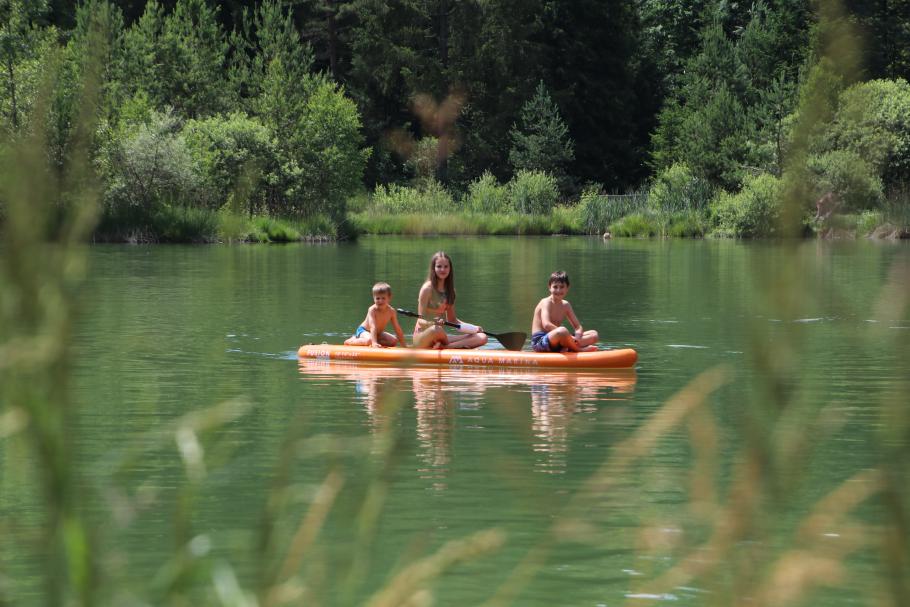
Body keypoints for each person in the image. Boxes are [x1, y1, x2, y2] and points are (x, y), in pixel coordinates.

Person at [413, 251, 488, 349]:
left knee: (482, 337)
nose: (442, 269)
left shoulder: (450, 291)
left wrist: (474, 328)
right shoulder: (427, 289)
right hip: (424, 335)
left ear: (450, 269)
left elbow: (453, 320)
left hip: (440, 336)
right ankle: (449, 346)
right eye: (439, 266)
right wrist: (432, 323)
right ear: (433, 268)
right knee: (437, 330)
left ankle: (446, 347)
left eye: (446, 266)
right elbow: (420, 320)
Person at [530, 270, 599, 353]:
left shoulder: (566, 305)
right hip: (540, 342)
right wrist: (569, 336)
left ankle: (567, 347)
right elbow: (546, 324)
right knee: (562, 330)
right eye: (555, 287)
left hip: (559, 340)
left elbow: (578, 327)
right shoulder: (546, 302)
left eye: (562, 287)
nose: (558, 290)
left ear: (567, 288)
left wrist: (577, 337)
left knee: (594, 334)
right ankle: (578, 349)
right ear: (549, 287)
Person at [344, 282, 408, 347]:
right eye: (377, 298)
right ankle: (350, 341)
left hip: (378, 333)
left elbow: (397, 329)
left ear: (389, 298)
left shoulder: (391, 311)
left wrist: (404, 345)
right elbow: (373, 326)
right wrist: (374, 343)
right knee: (370, 340)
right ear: (373, 298)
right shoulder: (372, 310)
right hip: (364, 331)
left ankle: (373, 341)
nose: (380, 301)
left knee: (393, 341)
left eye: (383, 298)